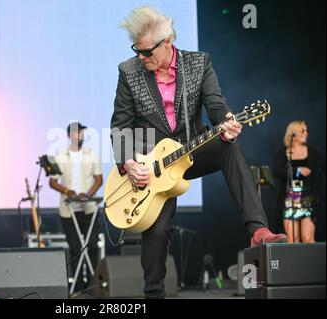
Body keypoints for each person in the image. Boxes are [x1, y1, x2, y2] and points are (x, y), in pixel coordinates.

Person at [110, 6, 287, 298]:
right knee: (157, 231)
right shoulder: (128, 71)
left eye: (147, 52)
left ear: (167, 41)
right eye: (137, 51)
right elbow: (120, 126)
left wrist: (227, 121)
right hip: (151, 166)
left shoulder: (198, 63)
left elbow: (216, 105)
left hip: (192, 150)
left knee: (228, 147)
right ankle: (153, 294)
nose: (141, 58)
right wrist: (129, 163)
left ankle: (258, 231)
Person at [49, 122, 103, 292]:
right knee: (75, 249)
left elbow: (99, 179)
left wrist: (88, 194)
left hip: (89, 209)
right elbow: (52, 182)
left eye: (82, 132)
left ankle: (94, 286)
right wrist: (67, 191)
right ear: (69, 136)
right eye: (77, 132)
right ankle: (79, 286)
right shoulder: (60, 156)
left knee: (92, 247)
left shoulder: (91, 154)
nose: (81, 135)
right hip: (68, 210)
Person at [273, 121, 325, 243]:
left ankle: (312, 262)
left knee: (308, 238)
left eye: (307, 131)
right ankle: (294, 262)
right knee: (292, 239)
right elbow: (276, 171)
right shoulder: (283, 153)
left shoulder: (314, 153)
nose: (306, 133)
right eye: (303, 130)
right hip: (289, 199)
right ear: (293, 133)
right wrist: (297, 171)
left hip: (308, 198)